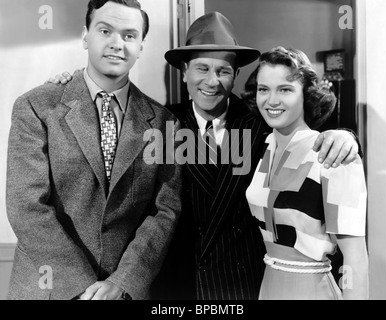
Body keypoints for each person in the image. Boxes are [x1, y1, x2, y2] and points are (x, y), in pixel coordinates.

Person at [49, 12, 361, 300]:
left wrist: (344, 136)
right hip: (178, 286)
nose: (212, 82)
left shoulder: (261, 124)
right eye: (202, 68)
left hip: (245, 286)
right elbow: (104, 156)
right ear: (184, 72)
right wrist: (73, 87)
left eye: (223, 71)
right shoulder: (158, 124)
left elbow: (302, 135)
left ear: (235, 75)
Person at [6, 0, 182, 300]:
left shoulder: (164, 122)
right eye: (105, 31)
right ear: (86, 36)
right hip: (48, 289)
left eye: (129, 35)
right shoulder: (37, 107)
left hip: (123, 292)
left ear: (140, 46)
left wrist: (123, 281)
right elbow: (27, 206)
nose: (117, 44)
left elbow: (164, 209)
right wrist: (83, 287)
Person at [243, 46, 368, 300]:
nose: (272, 100)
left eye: (285, 89)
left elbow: (356, 258)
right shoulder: (261, 147)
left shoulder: (333, 155)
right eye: (263, 89)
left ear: (306, 95)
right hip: (267, 288)